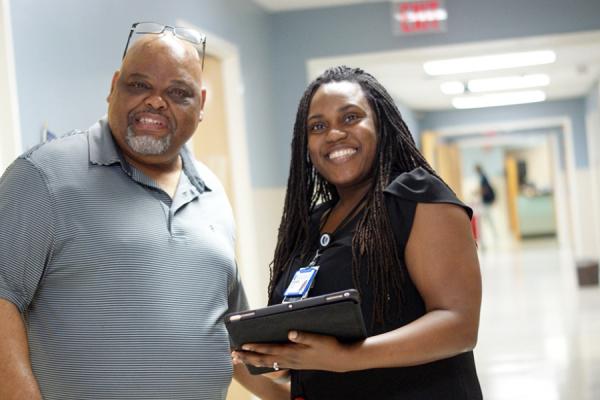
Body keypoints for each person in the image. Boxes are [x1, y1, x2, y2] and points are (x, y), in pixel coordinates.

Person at [0, 22, 287, 400]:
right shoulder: (43, 176)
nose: (155, 101)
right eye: (139, 85)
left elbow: (223, 332)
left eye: (177, 92)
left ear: (200, 105)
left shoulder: (213, 193)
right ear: (113, 86)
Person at [232, 66, 483, 399]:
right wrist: (237, 360)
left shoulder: (417, 198)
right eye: (318, 126)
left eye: (350, 117)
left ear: (381, 125)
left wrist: (347, 358)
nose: (334, 134)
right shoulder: (311, 226)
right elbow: (305, 382)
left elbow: (459, 325)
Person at [474, 163, 497, 248]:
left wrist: (477, 192)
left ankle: (494, 237)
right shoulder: (483, 176)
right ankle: (493, 237)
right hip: (485, 202)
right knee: (487, 220)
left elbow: (484, 189)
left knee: (487, 220)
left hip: (486, 202)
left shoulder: (483, 177)